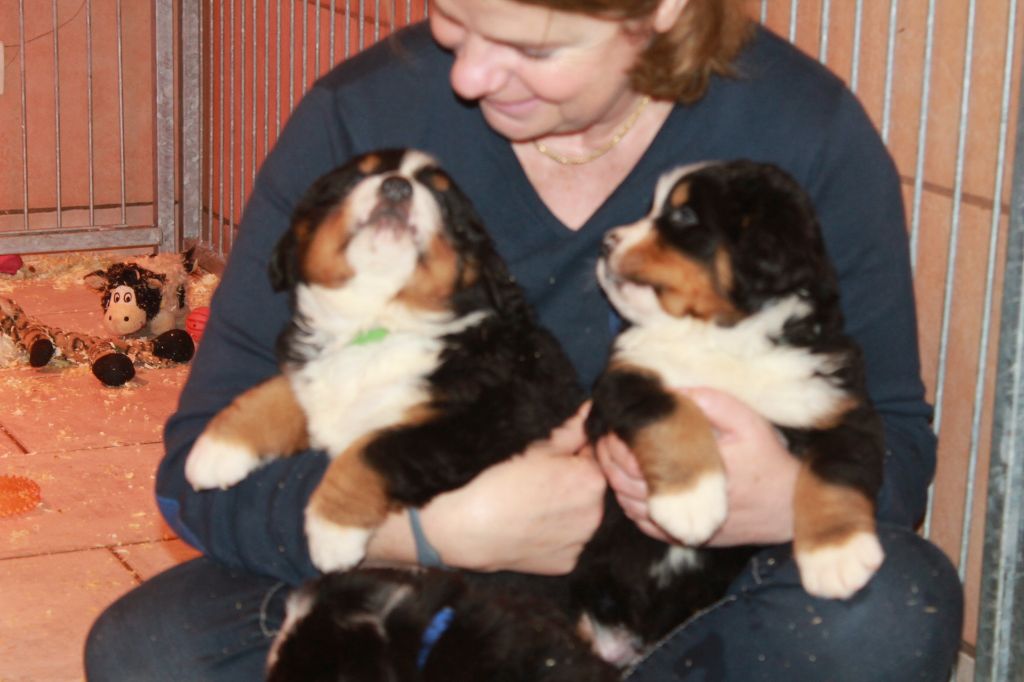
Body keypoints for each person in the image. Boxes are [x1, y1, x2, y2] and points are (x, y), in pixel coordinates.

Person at [85, 0, 964, 679]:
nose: (469, 74)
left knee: (892, 608)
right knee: (153, 652)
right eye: (453, 18)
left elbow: (894, 434)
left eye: (533, 49)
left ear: (660, 12)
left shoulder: (804, 133)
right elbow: (191, 478)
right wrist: (433, 531)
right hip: (438, 604)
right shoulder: (356, 117)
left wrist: (786, 498)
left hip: (684, 605)